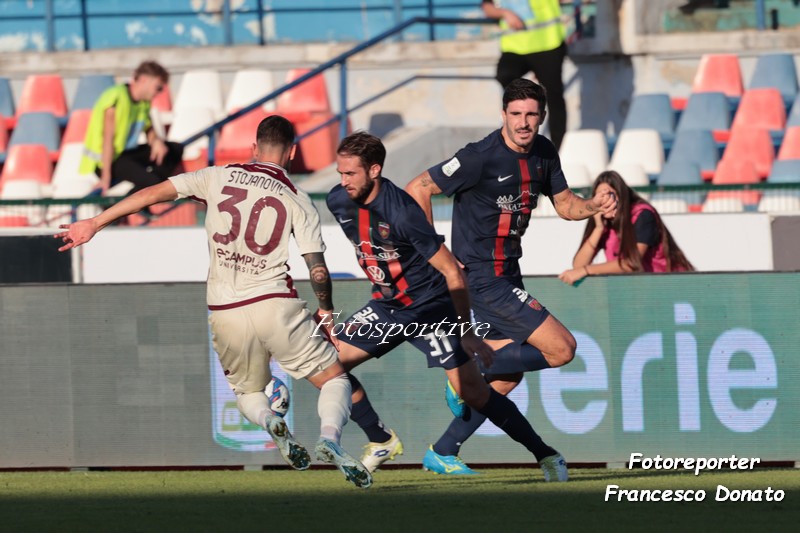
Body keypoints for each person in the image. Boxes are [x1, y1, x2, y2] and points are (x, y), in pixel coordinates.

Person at [58, 115, 372, 489]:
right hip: (274, 302)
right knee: (334, 379)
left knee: (248, 392)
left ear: (253, 149)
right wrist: (325, 312)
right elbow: (317, 269)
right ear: (290, 153)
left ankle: (271, 420)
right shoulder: (297, 198)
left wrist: (96, 222)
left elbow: (152, 193)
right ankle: (329, 438)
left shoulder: (216, 175)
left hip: (225, 309)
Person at [323, 131, 570, 481]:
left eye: (351, 174)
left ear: (374, 170)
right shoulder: (338, 201)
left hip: (429, 310)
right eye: (340, 173)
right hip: (387, 308)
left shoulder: (405, 214)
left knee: (475, 392)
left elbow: (453, 271)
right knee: (323, 364)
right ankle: (380, 440)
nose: (343, 181)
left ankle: (547, 456)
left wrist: (465, 331)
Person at [404, 78, 617, 474]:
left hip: (509, 274)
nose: (523, 122)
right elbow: (418, 187)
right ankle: (464, 370)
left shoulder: (544, 153)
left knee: (506, 378)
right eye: (516, 114)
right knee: (562, 349)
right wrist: (438, 255)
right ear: (503, 114)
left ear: (542, 117)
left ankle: (444, 450)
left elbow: (566, 204)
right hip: (482, 277)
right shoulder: (478, 157)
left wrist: (594, 205)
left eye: (531, 114)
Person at [559, 170, 694, 285]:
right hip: (638, 290)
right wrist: (598, 228)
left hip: (670, 283)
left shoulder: (642, 215)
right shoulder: (602, 221)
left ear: (621, 195)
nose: (605, 201)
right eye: (600, 196)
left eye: (610, 195)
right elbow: (578, 265)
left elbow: (632, 263)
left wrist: (587, 270)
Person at [79, 60, 184, 196]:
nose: (158, 93)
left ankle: (138, 195)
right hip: (107, 161)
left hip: (126, 154)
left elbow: (148, 128)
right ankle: (131, 202)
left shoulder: (143, 102)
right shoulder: (116, 98)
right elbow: (107, 140)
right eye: (158, 88)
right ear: (144, 80)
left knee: (174, 149)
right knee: (154, 182)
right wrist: (106, 177)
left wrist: (156, 141)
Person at [481, 0, 568, 150]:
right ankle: (512, 137)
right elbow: (487, 7)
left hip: (547, 44)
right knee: (504, 75)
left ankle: (557, 149)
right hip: (515, 46)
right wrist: (505, 13)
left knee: (554, 96)